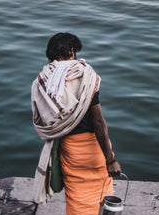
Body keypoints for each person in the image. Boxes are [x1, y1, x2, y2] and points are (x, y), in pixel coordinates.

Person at [31, 32, 121, 215]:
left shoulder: (43, 80)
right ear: (71, 51)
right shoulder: (85, 75)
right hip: (94, 150)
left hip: (69, 150)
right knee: (102, 194)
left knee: (77, 198)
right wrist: (110, 159)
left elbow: (43, 118)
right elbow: (98, 121)